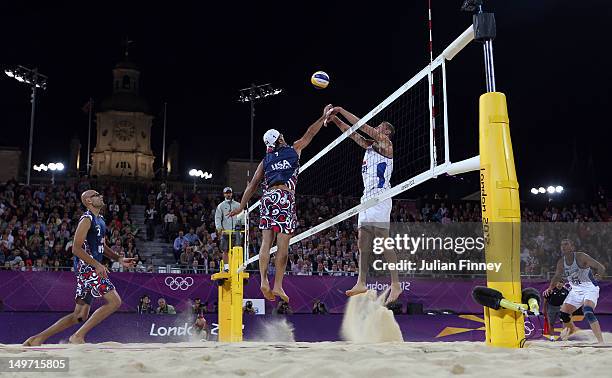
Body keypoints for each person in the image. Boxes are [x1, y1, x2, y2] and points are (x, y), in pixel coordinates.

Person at [229, 104, 333, 302]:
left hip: (268, 198)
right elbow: (310, 133)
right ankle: (277, 285)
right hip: (285, 198)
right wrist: (322, 118)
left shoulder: (265, 159)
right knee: (283, 246)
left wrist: (241, 206)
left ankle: (263, 281)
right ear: (281, 138)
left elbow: (252, 186)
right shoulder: (294, 149)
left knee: (266, 243)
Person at [23, 190, 135, 345]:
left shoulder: (100, 219)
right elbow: (75, 248)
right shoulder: (87, 219)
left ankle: (37, 338)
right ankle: (77, 336)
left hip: (89, 268)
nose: (100, 196)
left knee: (79, 315)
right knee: (114, 302)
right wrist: (97, 264)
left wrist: (119, 258)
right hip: (88, 268)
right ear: (89, 201)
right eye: (96, 195)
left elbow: (102, 245)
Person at [329, 107, 402, 304]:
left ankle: (396, 284)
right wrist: (335, 119)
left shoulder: (386, 144)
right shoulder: (370, 147)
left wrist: (341, 110)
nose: (377, 128)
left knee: (383, 240)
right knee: (363, 242)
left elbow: (362, 126)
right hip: (366, 198)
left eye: (381, 127)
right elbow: (352, 132)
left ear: (386, 132)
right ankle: (361, 281)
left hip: (380, 197)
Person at [544, 238, 606, 343]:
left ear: (572, 247)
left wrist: (598, 276)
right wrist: (550, 288)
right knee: (563, 314)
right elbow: (557, 276)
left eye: (566, 244)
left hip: (589, 288)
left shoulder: (581, 257)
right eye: (562, 245)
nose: (563, 246)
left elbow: (601, 267)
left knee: (587, 312)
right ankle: (572, 331)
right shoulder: (561, 262)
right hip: (576, 290)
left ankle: (601, 342)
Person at [215, 187, 244, 272]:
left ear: (232, 193)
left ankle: (238, 266)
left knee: (238, 249)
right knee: (225, 250)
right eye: (226, 193)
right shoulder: (221, 206)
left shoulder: (238, 205)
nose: (228, 194)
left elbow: (242, 215)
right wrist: (219, 228)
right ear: (224, 194)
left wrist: (243, 224)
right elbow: (218, 218)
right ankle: (226, 267)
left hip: (236, 231)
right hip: (226, 231)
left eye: (229, 193)